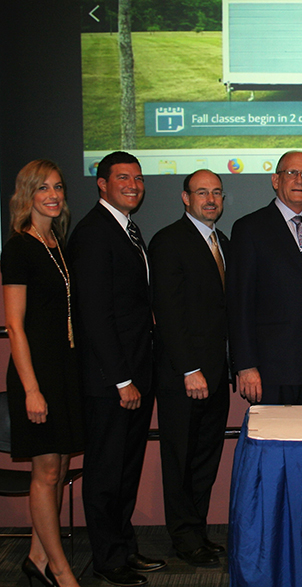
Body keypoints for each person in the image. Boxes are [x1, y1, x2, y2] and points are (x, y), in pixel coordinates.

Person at [67, 151, 164, 587]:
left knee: (126, 468)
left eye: (138, 178)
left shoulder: (127, 229)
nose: (134, 185)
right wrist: (122, 379)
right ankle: (107, 560)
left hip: (136, 373)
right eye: (123, 178)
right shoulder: (92, 233)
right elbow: (94, 316)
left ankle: (124, 547)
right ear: (101, 184)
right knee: (106, 471)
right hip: (112, 381)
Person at [2, 160, 83, 587]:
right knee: (46, 472)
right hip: (38, 377)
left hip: (65, 371)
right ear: (27, 195)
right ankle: (62, 570)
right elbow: (15, 325)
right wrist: (32, 390)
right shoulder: (18, 247)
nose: (53, 195)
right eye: (43, 188)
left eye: (58, 187)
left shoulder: (55, 242)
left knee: (60, 467)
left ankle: (36, 558)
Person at [149, 170, 230, 567]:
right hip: (186, 376)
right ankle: (183, 537)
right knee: (181, 459)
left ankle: (197, 530)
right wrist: (189, 370)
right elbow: (168, 313)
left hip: (216, 375)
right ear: (185, 198)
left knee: (204, 459)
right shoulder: (168, 241)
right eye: (202, 192)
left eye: (216, 192)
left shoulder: (222, 242)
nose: (210, 199)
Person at [227, 150, 302, 405]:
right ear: (275, 180)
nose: (299, 180)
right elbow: (240, 304)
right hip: (273, 370)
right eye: (291, 173)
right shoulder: (250, 228)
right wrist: (245, 365)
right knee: (277, 444)